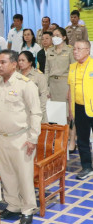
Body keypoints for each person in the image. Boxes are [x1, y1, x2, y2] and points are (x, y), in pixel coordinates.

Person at [0, 50, 42, 224]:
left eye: (3, 62)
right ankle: (13, 205)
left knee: (24, 175)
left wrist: (33, 138)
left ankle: (27, 208)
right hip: (0, 138)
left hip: (20, 138)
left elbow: (36, 113)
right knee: (7, 174)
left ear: (14, 64)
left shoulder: (26, 85)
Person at [45, 27, 75, 152]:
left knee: (69, 115)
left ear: (63, 37)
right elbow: (46, 70)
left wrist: (70, 89)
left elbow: (73, 70)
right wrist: (46, 87)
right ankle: (59, 140)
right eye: (53, 35)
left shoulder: (70, 50)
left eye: (57, 35)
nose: (54, 37)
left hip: (65, 84)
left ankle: (72, 140)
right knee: (55, 114)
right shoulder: (49, 51)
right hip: (53, 84)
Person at [68, 40, 93, 179]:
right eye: (74, 49)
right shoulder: (72, 67)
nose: (75, 51)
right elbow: (71, 89)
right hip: (78, 108)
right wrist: (71, 110)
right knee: (82, 140)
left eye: (79, 48)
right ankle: (87, 167)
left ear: (88, 50)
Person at [18, 51, 48, 123]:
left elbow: (44, 95)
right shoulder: (16, 75)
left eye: (23, 60)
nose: (20, 63)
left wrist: (38, 112)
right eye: (19, 60)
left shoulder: (39, 76)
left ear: (30, 62)